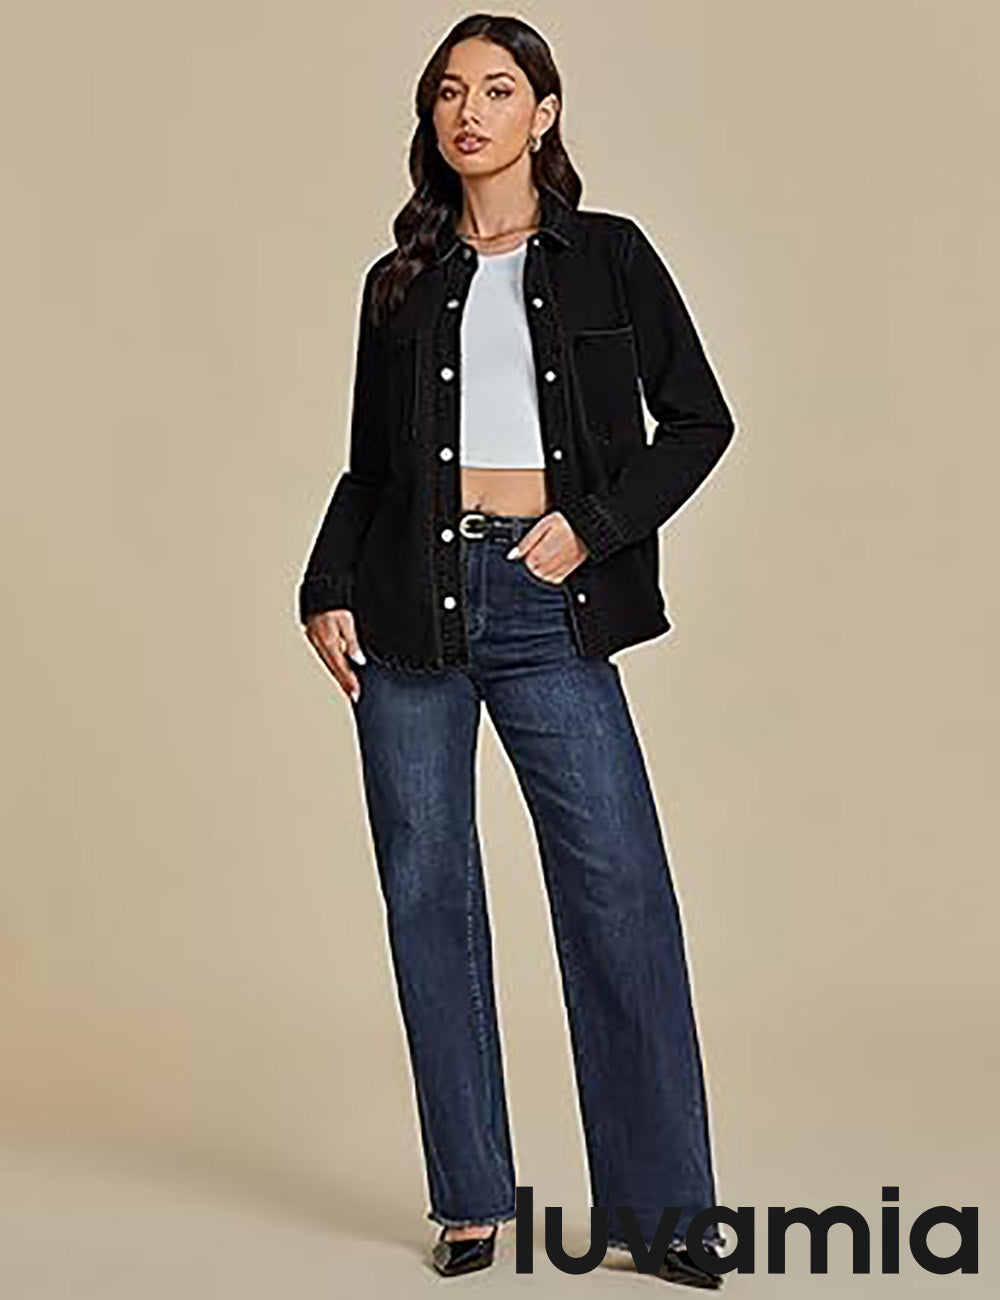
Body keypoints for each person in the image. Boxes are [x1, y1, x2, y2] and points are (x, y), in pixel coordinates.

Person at [299, 14, 736, 1289]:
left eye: (498, 89)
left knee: (620, 896)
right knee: (428, 900)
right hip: (409, 609)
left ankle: (662, 1212)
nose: (469, 111)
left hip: (549, 607)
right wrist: (325, 586)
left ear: (543, 113)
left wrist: (590, 527)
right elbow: (369, 469)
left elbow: (698, 422)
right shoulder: (400, 282)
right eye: (450, 91)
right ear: (431, 116)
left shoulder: (609, 257)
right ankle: (470, 1198)